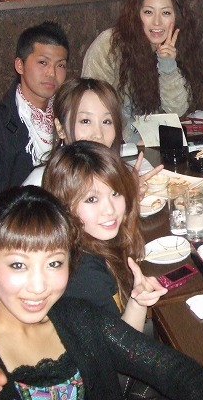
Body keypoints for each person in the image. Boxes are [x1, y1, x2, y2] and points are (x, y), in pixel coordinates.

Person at [0, 186, 203, 399]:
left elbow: (179, 372)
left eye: (54, 263)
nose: (39, 286)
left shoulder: (81, 318)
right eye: (18, 265)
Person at [0, 21, 69, 284]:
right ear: (20, 65)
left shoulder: (69, 110)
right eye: (42, 63)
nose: (52, 74)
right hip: (22, 234)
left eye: (60, 65)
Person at [42, 140, 167, 332]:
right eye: (92, 199)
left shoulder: (94, 241)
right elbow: (119, 350)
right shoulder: (83, 273)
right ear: (64, 205)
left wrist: (137, 303)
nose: (110, 210)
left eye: (116, 193)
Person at [82, 0, 203, 143]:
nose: (157, 22)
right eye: (148, 12)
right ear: (137, 14)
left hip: (156, 141)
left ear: (177, 16)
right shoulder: (109, 44)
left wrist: (168, 64)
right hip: (111, 141)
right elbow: (92, 102)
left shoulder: (181, 44)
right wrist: (133, 139)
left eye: (165, 13)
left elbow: (176, 110)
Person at [21, 77, 163, 197]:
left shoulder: (111, 175)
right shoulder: (41, 187)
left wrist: (130, 200)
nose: (98, 134)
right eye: (85, 121)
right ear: (60, 128)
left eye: (106, 121)